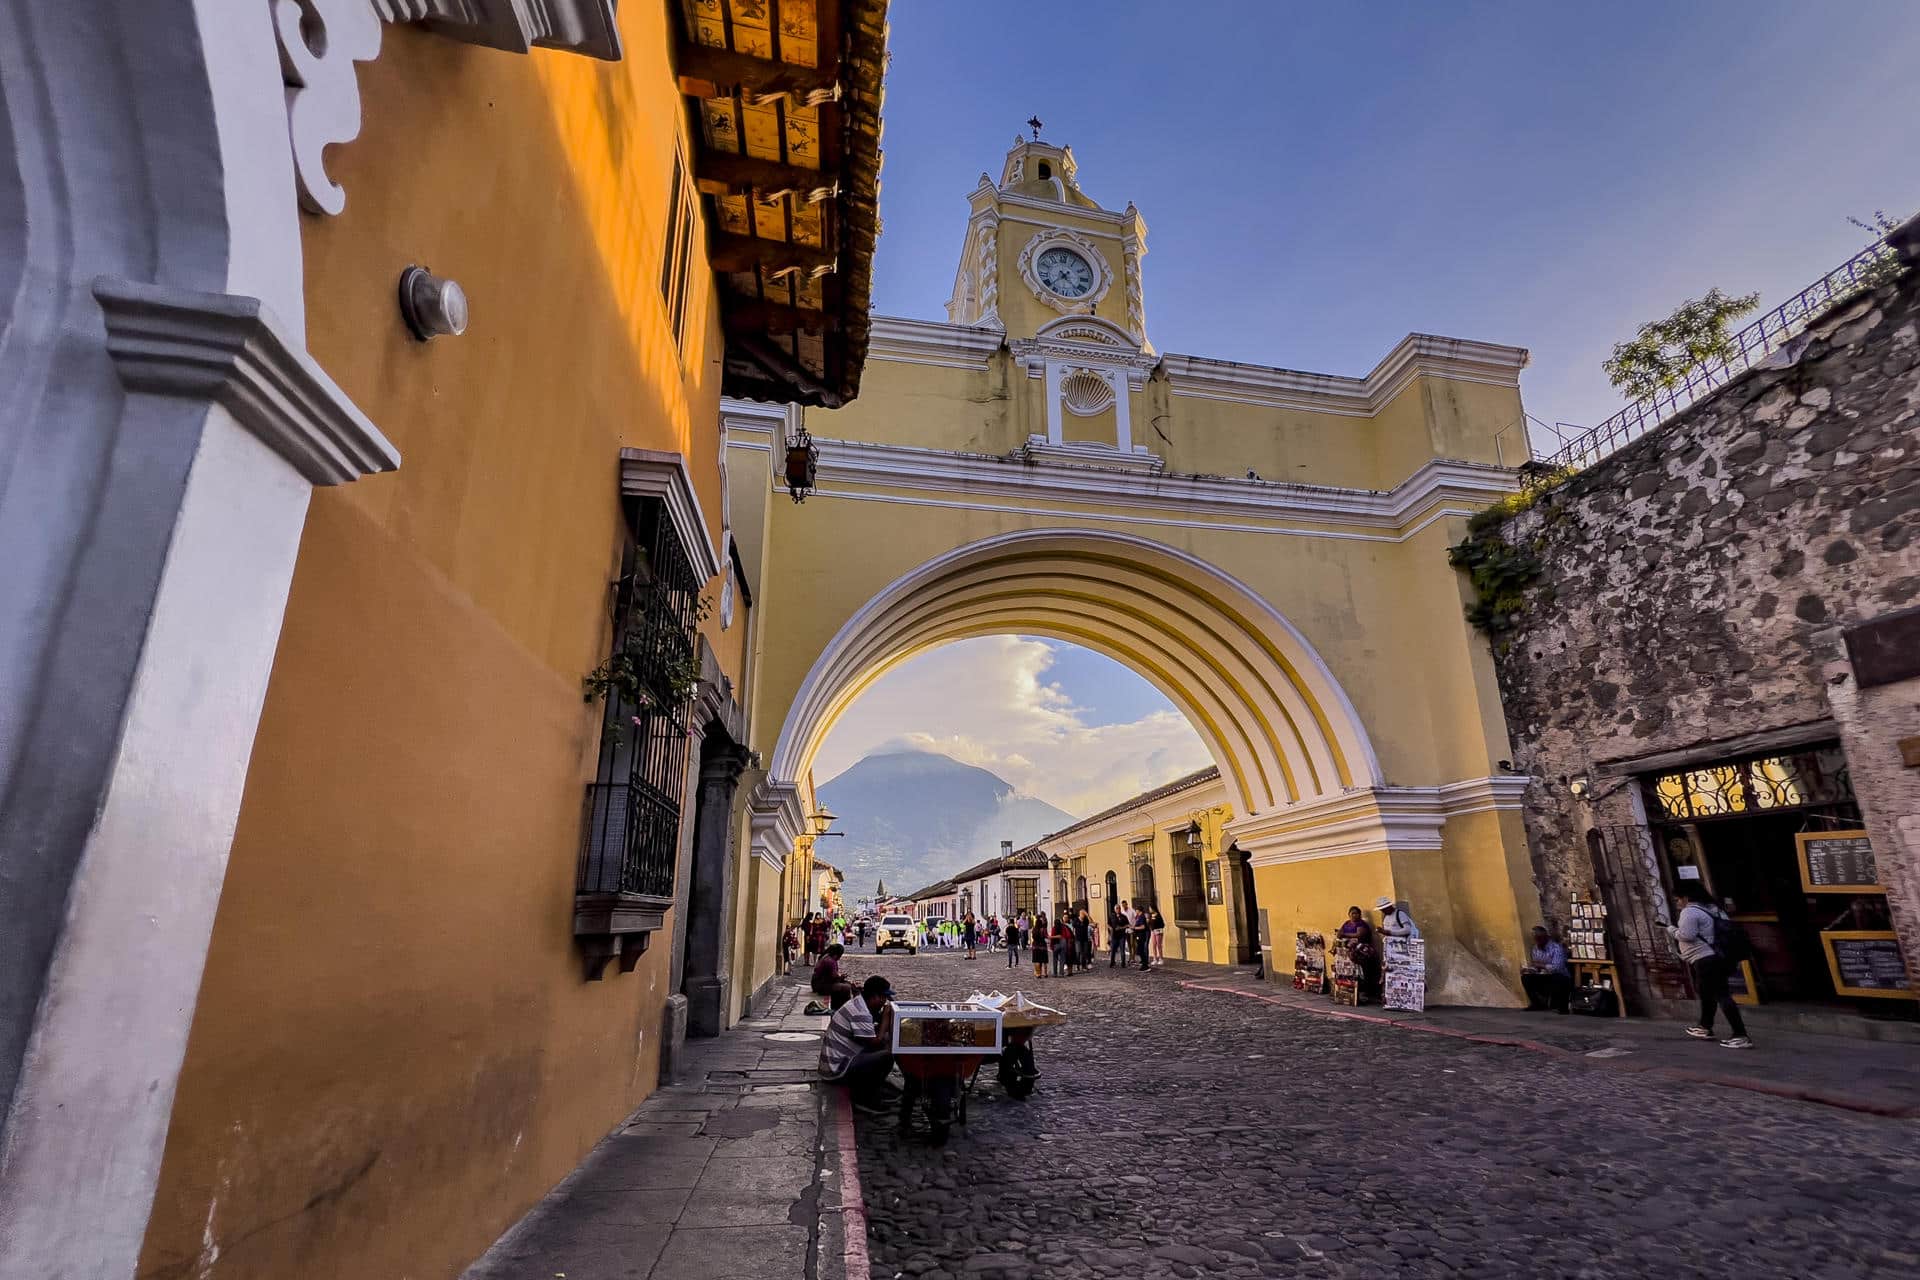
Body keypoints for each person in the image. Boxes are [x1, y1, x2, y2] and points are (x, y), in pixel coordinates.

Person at [1669, 887, 1751, 1048]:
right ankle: (1704, 1026)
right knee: (1707, 992)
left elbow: (1687, 935)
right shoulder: (1714, 909)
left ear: (1686, 897)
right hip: (1718, 956)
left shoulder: (1690, 912)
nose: (1677, 903)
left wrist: (1671, 930)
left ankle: (1740, 1035)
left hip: (1705, 958)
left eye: (1678, 899)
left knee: (1721, 994)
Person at [820, 974, 899, 1112]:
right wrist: (886, 1019)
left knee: (882, 1048)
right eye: (883, 998)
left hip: (837, 1062)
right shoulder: (860, 1013)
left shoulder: (859, 1003)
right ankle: (865, 1098)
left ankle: (874, 1088)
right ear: (874, 996)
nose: (884, 1002)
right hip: (837, 1069)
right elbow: (875, 1042)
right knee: (886, 1057)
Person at [1520, 925, 1572, 1012]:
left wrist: (1542, 965)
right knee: (1526, 977)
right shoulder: (1535, 949)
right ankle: (1537, 1003)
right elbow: (1536, 966)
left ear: (1546, 937)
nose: (1537, 941)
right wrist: (1530, 970)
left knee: (1558, 978)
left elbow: (1557, 967)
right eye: (1535, 938)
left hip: (1560, 977)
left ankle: (1562, 1006)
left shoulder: (1556, 948)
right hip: (1544, 976)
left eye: (1539, 938)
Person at [1337, 906, 1379, 999]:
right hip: (1348, 951)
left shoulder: (1361, 924)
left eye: (1356, 913)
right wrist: (1340, 934)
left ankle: (1365, 992)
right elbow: (1339, 933)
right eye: (1352, 913)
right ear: (1349, 915)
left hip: (1361, 952)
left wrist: (1344, 934)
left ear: (1360, 915)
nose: (1354, 915)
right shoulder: (1346, 923)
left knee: (1363, 972)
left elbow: (1359, 934)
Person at [809, 943, 852, 1013]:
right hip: (821, 986)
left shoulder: (826, 957)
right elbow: (833, 977)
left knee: (846, 984)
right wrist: (841, 977)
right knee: (847, 987)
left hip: (818, 983)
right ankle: (845, 1008)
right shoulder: (830, 961)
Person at [1109, 901, 1130, 967]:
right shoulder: (1112, 916)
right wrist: (1111, 928)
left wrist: (1121, 928)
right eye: (1117, 908)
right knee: (1113, 950)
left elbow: (1127, 925)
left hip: (1122, 935)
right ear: (1114, 909)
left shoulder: (1124, 916)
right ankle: (1112, 962)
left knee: (1122, 950)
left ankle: (1123, 963)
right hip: (1114, 935)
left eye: (1119, 908)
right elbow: (1108, 924)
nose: (1118, 909)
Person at [1132, 902, 1151, 971]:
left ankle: (1145, 965)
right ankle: (1144, 964)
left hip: (1141, 935)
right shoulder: (1139, 917)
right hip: (1139, 935)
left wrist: (1134, 928)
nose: (1135, 911)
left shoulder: (1142, 917)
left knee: (1141, 950)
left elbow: (1143, 927)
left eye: (1136, 910)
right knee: (1140, 950)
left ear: (1138, 910)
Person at [1031, 912, 1050, 979]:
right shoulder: (1043, 929)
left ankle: (1038, 973)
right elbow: (1046, 936)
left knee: (1037, 960)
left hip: (1035, 945)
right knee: (1044, 960)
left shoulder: (1034, 929)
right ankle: (1045, 973)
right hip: (1042, 945)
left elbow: (1033, 937)